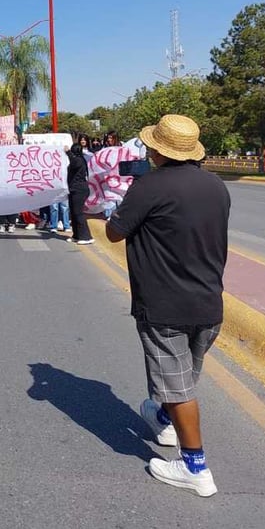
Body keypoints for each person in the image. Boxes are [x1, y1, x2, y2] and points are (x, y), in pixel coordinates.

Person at [105, 114, 230, 497]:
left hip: (165, 304)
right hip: (208, 302)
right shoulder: (216, 186)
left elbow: (113, 232)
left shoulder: (150, 186)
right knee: (182, 376)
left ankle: (195, 467)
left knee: (178, 388)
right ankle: (163, 418)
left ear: (156, 149)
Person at [66, 143, 92, 244]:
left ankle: (86, 237)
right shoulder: (77, 159)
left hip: (79, 190)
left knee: (78, 213)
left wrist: (68, 153)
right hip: (73, 189)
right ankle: (76, 235)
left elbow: (74, 163)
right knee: (73, 213)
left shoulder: (78, 160)